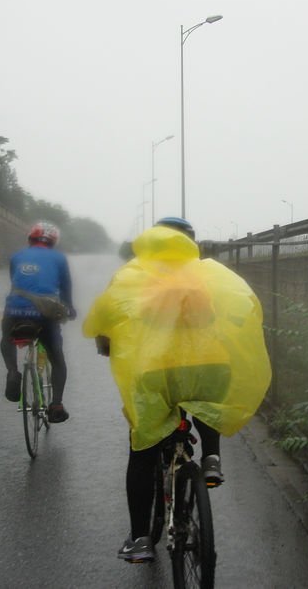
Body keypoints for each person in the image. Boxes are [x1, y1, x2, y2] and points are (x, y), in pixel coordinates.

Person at [83, 216, 271, 562]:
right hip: (210, 366)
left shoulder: (132, 275)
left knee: (142, 450)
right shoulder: (211, 274)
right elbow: (240, 312)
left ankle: (141, 539)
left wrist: (106, 342)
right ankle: (211, 458)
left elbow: (102, 320)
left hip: (156, 373)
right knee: (206, 399)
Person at [1, 221, 76, 423]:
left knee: (6, 337)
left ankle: (12, 372)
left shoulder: (17, 256)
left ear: (30, 239)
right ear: (53, 243)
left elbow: (14, 281)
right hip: (45, 315)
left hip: (15, 311)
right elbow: (65, 286)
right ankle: (57, 405)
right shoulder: (59, 258)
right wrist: (70, 308)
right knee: (57, 359)